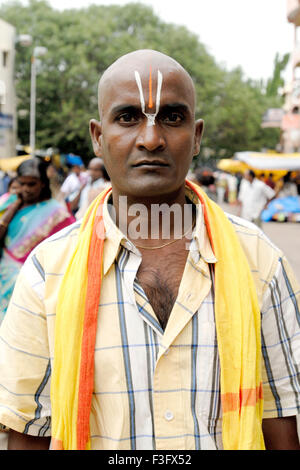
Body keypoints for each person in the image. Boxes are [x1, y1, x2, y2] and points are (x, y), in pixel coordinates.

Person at [0, 50, 300, 451]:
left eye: (172, 118)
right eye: (127, 117)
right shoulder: (46, 272)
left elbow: (280, 428)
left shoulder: (260, 263)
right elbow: (27, 434)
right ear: (98, 137)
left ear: (196, 137)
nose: (151, 139)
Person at [0, 158, 75, 324]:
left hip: (30, 282)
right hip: (3, 272)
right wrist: (15, 206)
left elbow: (66, 250)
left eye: (31, 184)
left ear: (42, 183)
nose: (26, 189)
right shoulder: (9, 202)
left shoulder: (56, 213)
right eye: (22, 183)